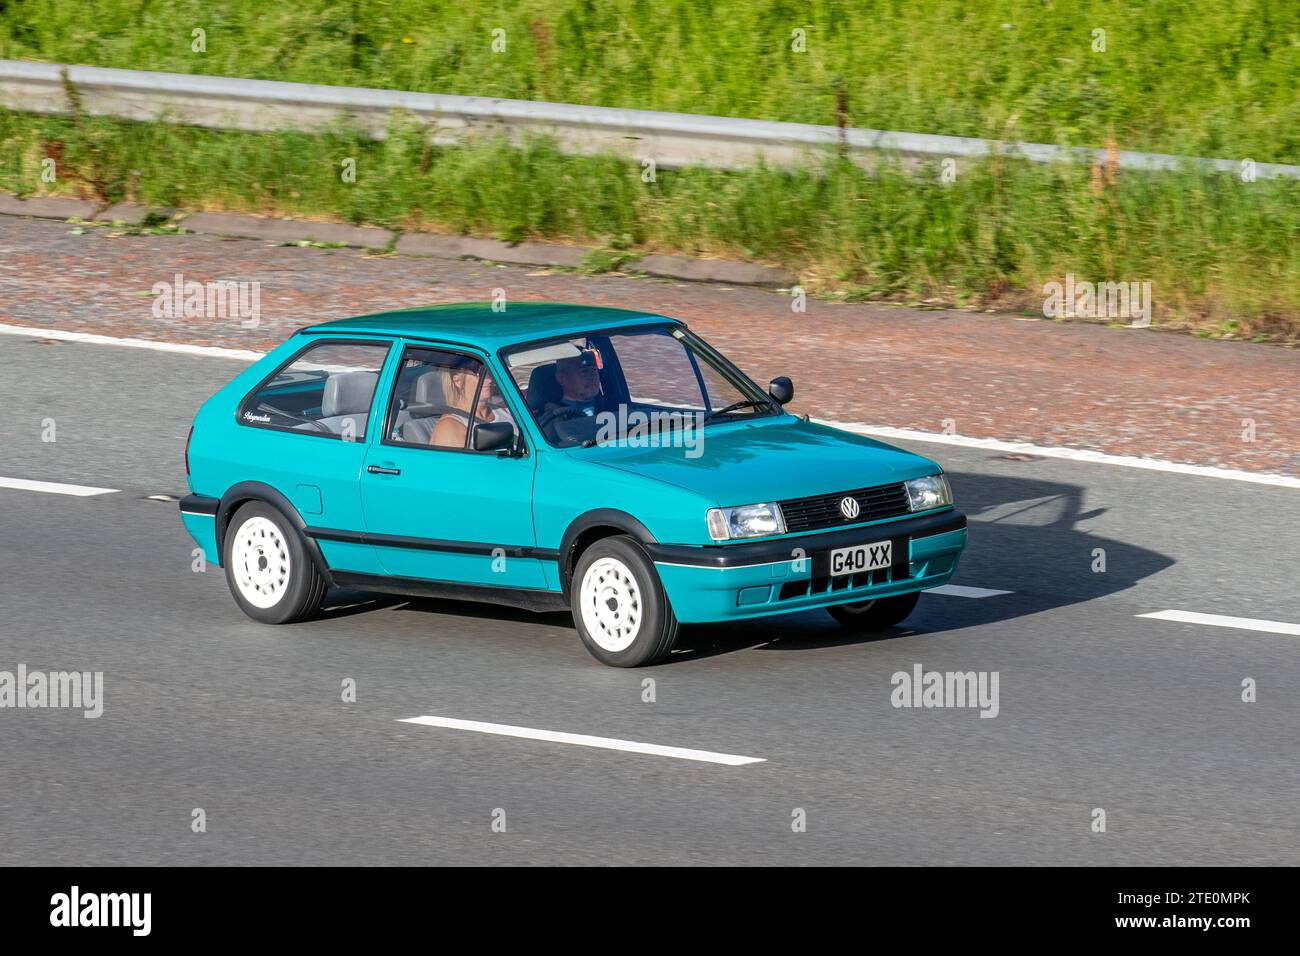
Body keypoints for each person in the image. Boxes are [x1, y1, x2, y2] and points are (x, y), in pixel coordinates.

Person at [429, 359, 512, 448]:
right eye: (479, 373)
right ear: (458, 380)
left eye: (490, 372)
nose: (489, 379)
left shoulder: (506, 410)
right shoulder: (448, 429)